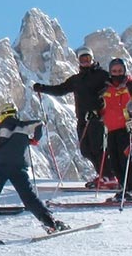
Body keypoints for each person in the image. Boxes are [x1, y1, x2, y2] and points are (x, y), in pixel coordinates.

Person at [0, 103, 69, 236]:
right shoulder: (23, 126)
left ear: (1, 116)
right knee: (29, 197)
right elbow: (40, 124)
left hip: (0, 166)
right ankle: (50, 222)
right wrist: (34, 140)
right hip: (19, 166)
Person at [32, 46, 113, 188]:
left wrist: (101, 102)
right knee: (85, 150)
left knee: (97, 147)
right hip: (82, 119)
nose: (85, 61)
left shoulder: (102, 75)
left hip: (96, 118)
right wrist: (42, 88)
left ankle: (109, 176)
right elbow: (60, 89)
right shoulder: (76, 80)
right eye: (82, 59)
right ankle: (102, 175)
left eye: (87, 58)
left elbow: (111, 88)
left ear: (92, 59)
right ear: (79, 61)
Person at [101, 58, 132, 202]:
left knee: (125, 159)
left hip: (125, 128)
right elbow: (104, 107)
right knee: (115, 162)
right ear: (110, 72)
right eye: (114, 71)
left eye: (120, 71)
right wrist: (97, 113)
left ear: (124, 71)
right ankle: (126, 188)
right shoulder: (107, 88)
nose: (117, 74)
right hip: (111, 130)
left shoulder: (130, 85)